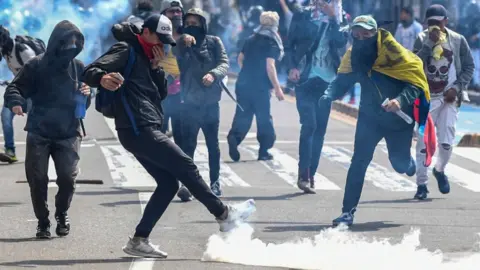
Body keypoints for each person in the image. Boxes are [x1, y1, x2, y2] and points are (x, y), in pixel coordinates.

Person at [83, 14, 255, 258]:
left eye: (166, 40)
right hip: (137, 127)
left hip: (145, 126)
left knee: (168, 184)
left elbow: (160, 94)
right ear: (146, 33)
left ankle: (139, 240)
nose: (162, 45)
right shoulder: (125, 49)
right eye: (159, 38)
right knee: (185, 164)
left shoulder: (150, 56)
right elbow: (90, 70)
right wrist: (102, 78)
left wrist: (156, 69)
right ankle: (223, 214)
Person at [317, 15, 431, 226]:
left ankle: (408, 164)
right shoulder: (354, 56)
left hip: (398, 120)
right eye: (356, 35)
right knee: (358, 162)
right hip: (369, 117)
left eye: (366, 34)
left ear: (376, 33)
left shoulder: (394, 52)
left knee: (399, 164)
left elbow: (417, 84)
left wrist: (399, 100)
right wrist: (328, 94)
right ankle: (347, 212)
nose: (361, 38)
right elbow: (342, 80)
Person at [4, 20, 91, 239]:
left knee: (67, 178)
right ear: (55, 42)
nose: (70, 46)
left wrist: (86, 93)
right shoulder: (35, 65)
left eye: (75, 42)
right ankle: (43, 222)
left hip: (69, 132)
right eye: (66, 42)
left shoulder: (79, 67)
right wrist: (16, 102)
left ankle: (62, 214)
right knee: (37, 179)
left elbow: (86, 102)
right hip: (39, 130)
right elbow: (15, 87)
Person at [412, 4, 474, 200]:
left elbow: (469, 66)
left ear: (445, 22)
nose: (435, 27)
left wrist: (456, 88)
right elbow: (414, 65)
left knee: (446, 143)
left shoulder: (457, 40)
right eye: (431, 23)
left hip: (449, 99)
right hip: (427, 100)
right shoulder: (421, 39)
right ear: (425, 24)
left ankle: (439, 170)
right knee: (423, 143)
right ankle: (421, 185)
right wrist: (429, 45)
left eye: (439, 22)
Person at [284, 0, 347, 194]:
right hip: (305, 78)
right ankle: (303, 174)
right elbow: (289, 44)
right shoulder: (302, 14)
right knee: (309, 124)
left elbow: (341, 43)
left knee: (319, 130)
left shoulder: (341, 18)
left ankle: (311, 174)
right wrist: (292, 67)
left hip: (327, 81)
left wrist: (334, 18)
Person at [175, 8, 229, 198]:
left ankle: (215, 183)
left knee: (212, 145)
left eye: (194, 24)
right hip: (188, 103)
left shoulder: (214, 42)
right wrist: (182, 43)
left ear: (203, 24)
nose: (191, 27)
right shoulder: (180, 42)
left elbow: (224, 63)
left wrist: (213, 75)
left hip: (210, 103)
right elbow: (173, 63)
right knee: (187, 147)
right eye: (188, 23)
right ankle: (186, 185)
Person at [227, 11, 285, 163]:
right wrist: (278, 88)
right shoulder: (272, 41)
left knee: (243, 115)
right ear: (275, 25)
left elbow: (240, 59)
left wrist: (247, 72)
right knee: (263, 118)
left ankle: (234, 138)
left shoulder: (250, 39)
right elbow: (270, 66)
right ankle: (264, 150)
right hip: (260, 86)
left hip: (244, 83)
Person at [0, 25, 44, 163]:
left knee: (34, 122)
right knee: (5, 116)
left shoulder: (24, 51)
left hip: (34, 91)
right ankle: (10, 150)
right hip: (19, 90)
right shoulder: (5, 52)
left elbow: (39, 70)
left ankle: (38, 152)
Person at [159, 0, 184, 142]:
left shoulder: (188, 34)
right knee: (160, 135)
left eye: (178, 11)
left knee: (181, 134)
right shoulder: (156, 36)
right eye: (171, 11)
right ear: (163, 14)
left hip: (181, 93)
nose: (175, 14)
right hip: (161, 92)